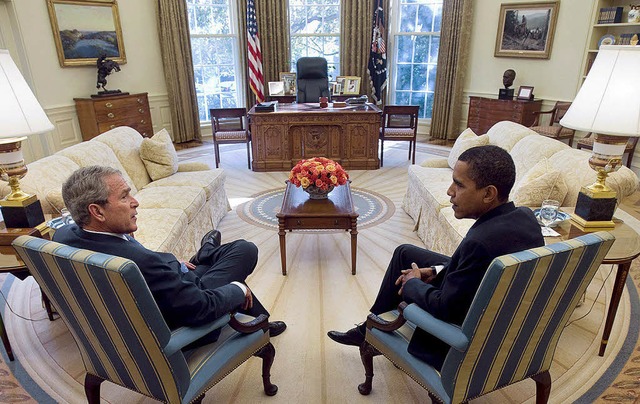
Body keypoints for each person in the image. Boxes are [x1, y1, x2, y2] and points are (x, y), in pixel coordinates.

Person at [327, 145, 544, 370]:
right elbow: (472, 270)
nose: (450, 191)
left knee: (410, 276)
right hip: (484, 297)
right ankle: (370, 327)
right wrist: (434, 271)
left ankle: (371, 329)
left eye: (459, 185)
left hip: (456, 336)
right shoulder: (525, 218)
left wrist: (412, 283)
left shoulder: (479, 242)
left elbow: (445, 307)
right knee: (405, 252)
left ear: (488, 193)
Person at [54, 165, 286, 343]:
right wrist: (239, 289)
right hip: (187, 318)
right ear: (97, 211)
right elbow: (202, 308)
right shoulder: (143, 264)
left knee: (239, 250)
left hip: (171, 287)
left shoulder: (64, 236)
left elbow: (140, 260)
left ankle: (207, 255)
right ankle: (258, 323)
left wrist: (173, 264)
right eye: (124, 196)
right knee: (245, 252)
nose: (135, 202)